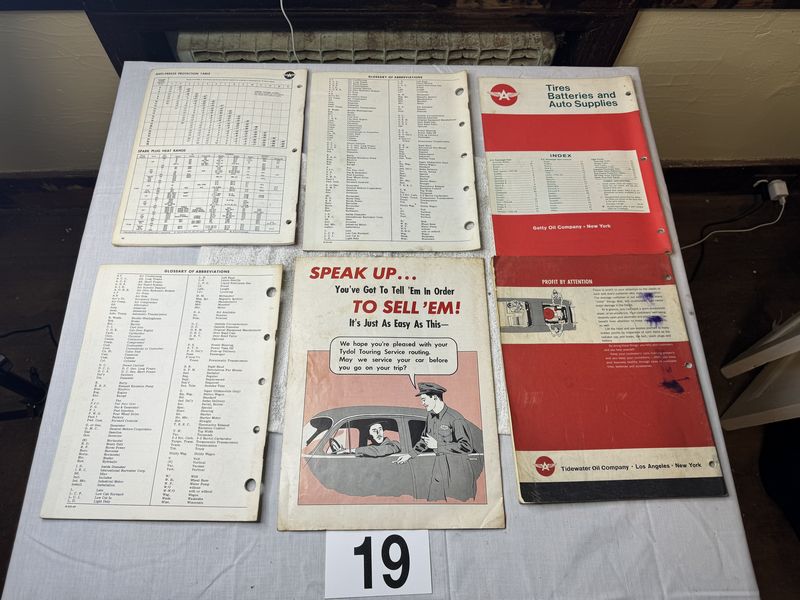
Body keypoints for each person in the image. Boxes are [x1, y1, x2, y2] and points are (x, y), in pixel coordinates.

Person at [394, 382, 478, 501]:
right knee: (435, 502)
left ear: (434, 397)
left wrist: (438, 445)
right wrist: (409, 455)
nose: (422, 403)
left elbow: (466, 446)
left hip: (456, 470)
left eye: (424, 399)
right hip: (439, 468)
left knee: (455, 504)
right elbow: (425, 440)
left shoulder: (455, 418)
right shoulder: (431, 417)